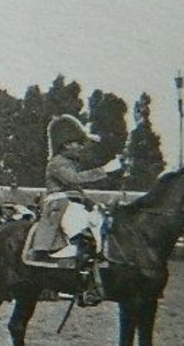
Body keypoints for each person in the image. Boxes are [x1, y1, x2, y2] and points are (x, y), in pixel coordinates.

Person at [31, 114, 124, 306]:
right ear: (65, 145)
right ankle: (81, 286)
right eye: (78, 144)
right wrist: (105, 170)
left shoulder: (70, 162)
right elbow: (75, 180)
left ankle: (92, 280)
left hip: (73, 204)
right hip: (59, 207)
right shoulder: (57, 162)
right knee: (84, 237)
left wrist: (91, 203)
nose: (81, 148)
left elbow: (76, 190)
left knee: (101, 232)